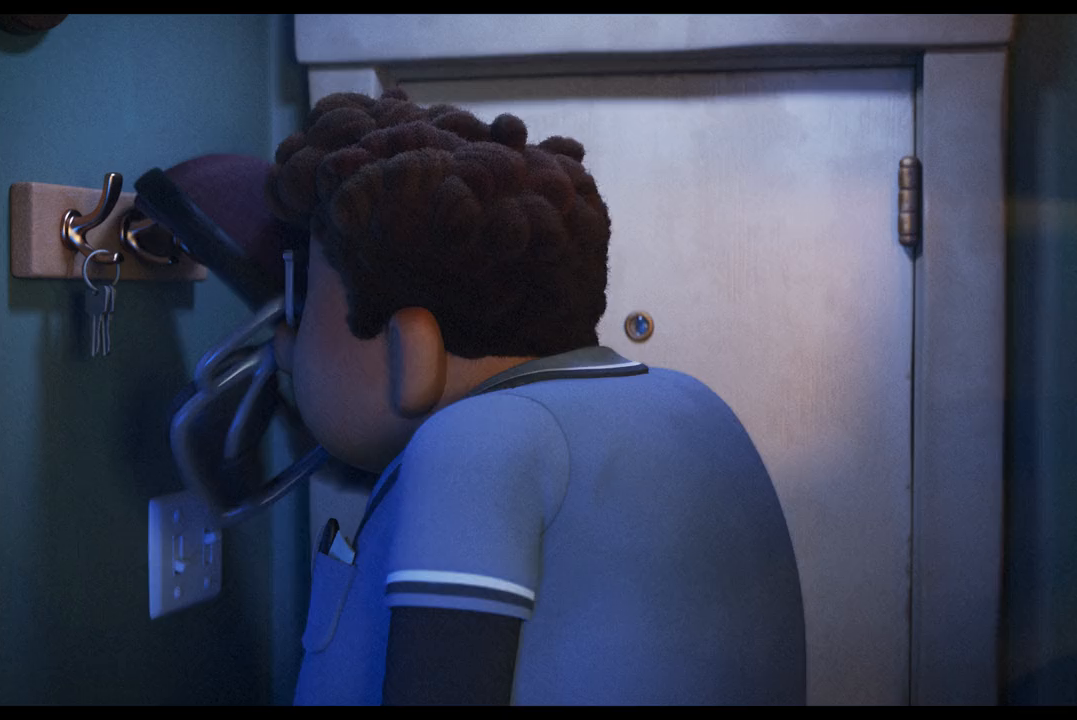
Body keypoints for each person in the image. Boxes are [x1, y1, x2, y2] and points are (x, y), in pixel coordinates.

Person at [266, 88, 805, 705]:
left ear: (409, 352)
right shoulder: (691, 402)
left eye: (307, 309)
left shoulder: (474, 446)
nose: (283, 348)